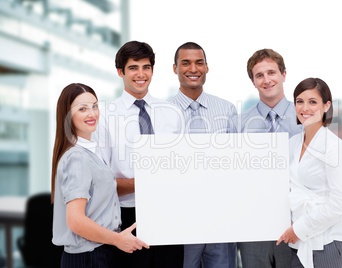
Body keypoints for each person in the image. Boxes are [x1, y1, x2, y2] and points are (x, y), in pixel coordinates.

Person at [95, 41, 184, 267]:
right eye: (133, 67)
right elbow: (101, 180)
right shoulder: (105, 117)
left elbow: (183, 165)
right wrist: (145, 182)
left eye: (146, 67)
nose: (141, 74)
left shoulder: (171, 112)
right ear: (120, 72)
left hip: (169, 213)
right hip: (127, 215)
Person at [51, 83, 149, 268]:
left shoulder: (89, 153)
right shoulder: (77, 157)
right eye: (82, 109)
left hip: (98, 252)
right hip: (89, 256)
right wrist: (118, 239)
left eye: (95, 106)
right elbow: (76, 220)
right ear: (67, 115)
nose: (92, 113)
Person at [169, 42, 238, 268]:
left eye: (199, 63)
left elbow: (237, 163)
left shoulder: (227, 110)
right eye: (185, 63)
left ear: (207, 67)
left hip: (220, 217)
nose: (193, 69)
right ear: (175, 68)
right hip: (180, 218)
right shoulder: (161, 112)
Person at [234, 48, 301, 268]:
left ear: (283, 74)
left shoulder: (306, 119)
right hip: (254, 225)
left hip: (296, 222)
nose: (266, 80)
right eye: (259, 75)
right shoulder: (239, 123)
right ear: (253, 82)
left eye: (271, 72)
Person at [276, 77, 342, 268]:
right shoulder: (291, 144)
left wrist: (300, 229)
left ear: (326, 106)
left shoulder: (335, 147)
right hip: (297, 243)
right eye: (299, 101)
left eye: (312, 102)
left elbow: (341, 202)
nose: (305, 108)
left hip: (328, 244)